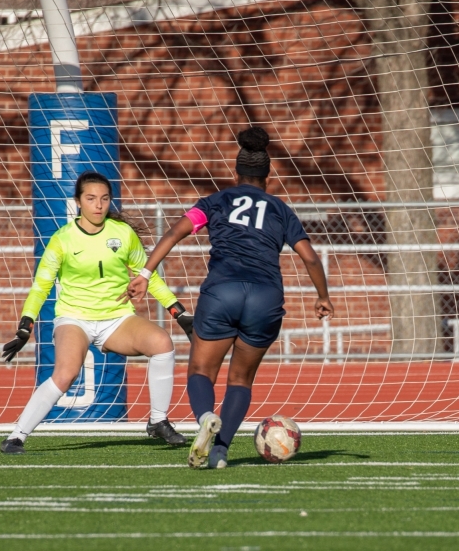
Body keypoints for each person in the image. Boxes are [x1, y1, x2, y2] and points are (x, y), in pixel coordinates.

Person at [125, 126, 333, 469]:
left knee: (201, 370)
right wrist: (322, 296)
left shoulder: (216, 200)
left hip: (222, 292)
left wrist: (145, 274)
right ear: (268, 176)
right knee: (240, 380)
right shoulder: (281, 210)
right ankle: (220, 451)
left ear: (236, 173)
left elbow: (176, 231)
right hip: (266, 298)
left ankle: (207, 416)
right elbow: (309, 257)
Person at [0, 171, 194, 454]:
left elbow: (147, 276)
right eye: (91, 199)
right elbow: (41, 287)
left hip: (116, 318)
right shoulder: (62, 239)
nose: (98, 205)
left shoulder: (123, 234)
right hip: (74, 318)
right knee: (66, 373)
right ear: (78, 202)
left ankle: (158, 420)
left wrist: (178, 311)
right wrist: (25, 325)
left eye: (104, 199)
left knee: (162, 344)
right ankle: (17, 436)